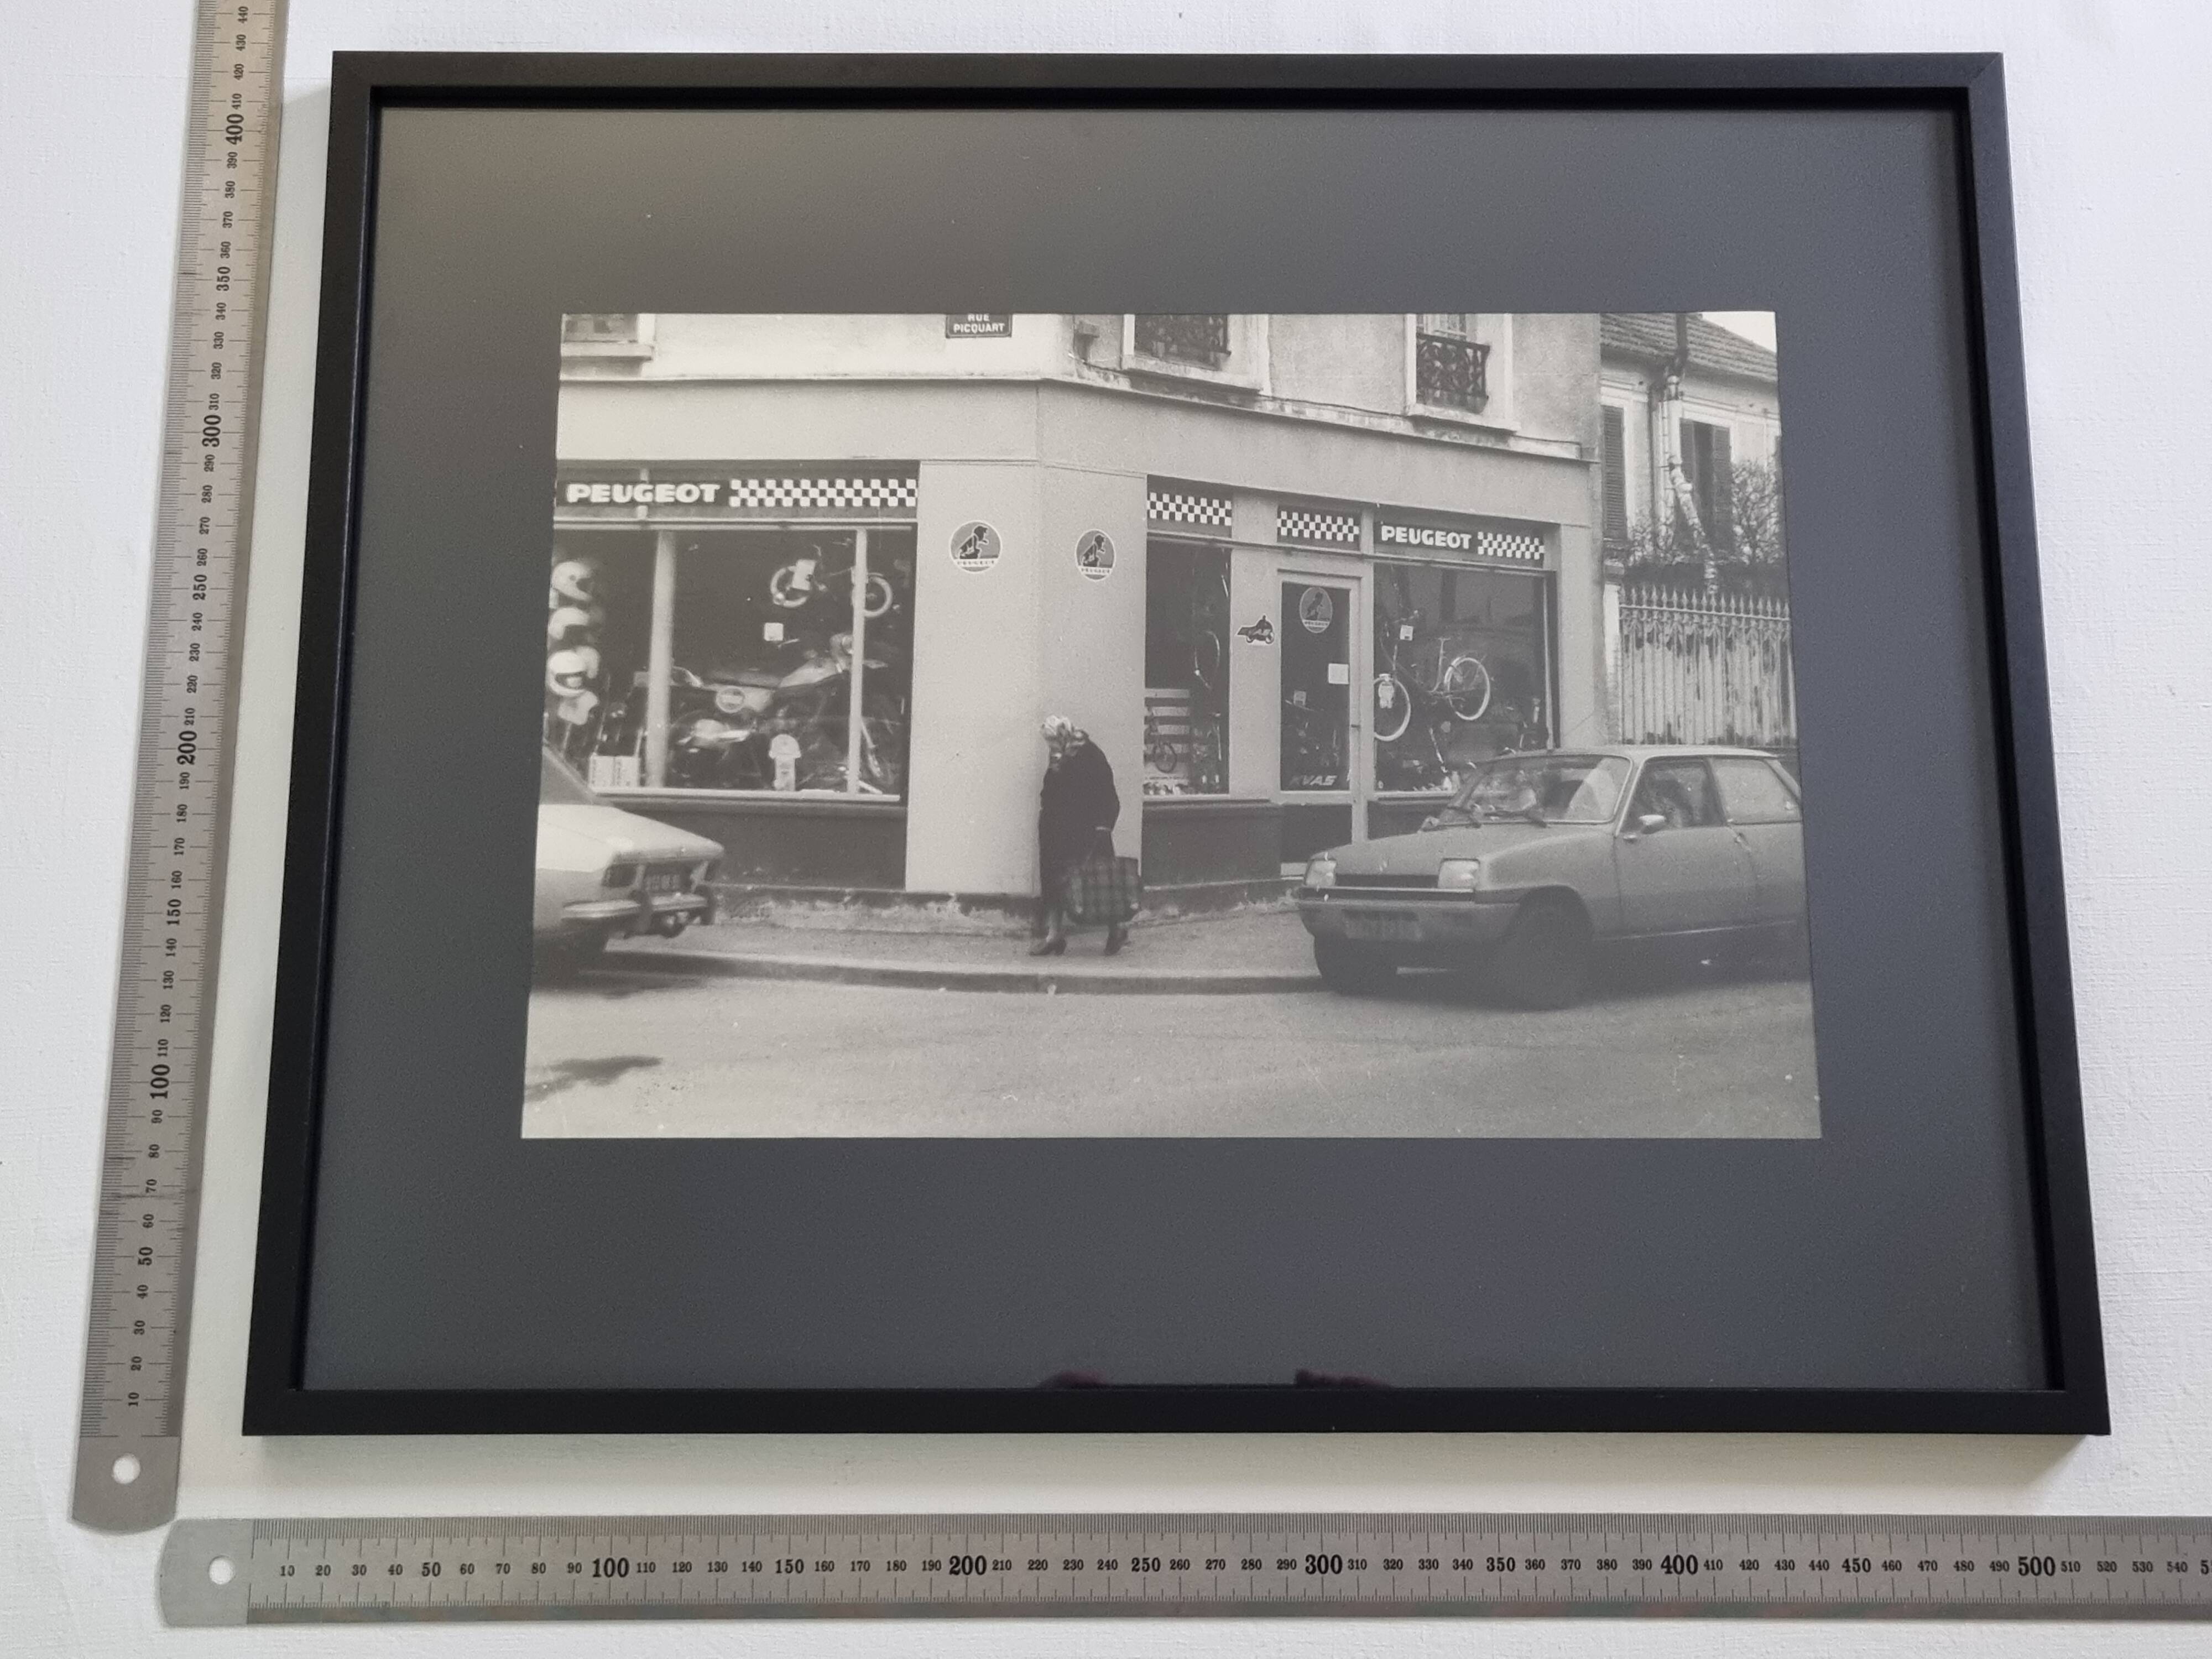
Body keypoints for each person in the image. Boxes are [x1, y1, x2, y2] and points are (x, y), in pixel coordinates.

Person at [1034, 714, 1124, 956]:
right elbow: (1050, 790)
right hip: (1056, 830)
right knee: (1053, 882)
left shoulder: (1091, 755)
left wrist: (1104, 826)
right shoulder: (1059, 757)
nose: (1050, 746)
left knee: (1100, 882)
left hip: (1087, 830)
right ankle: (1054, 936)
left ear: (1063, 736)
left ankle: (1117, 930)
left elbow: (1108, 792)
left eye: (1052, 740)